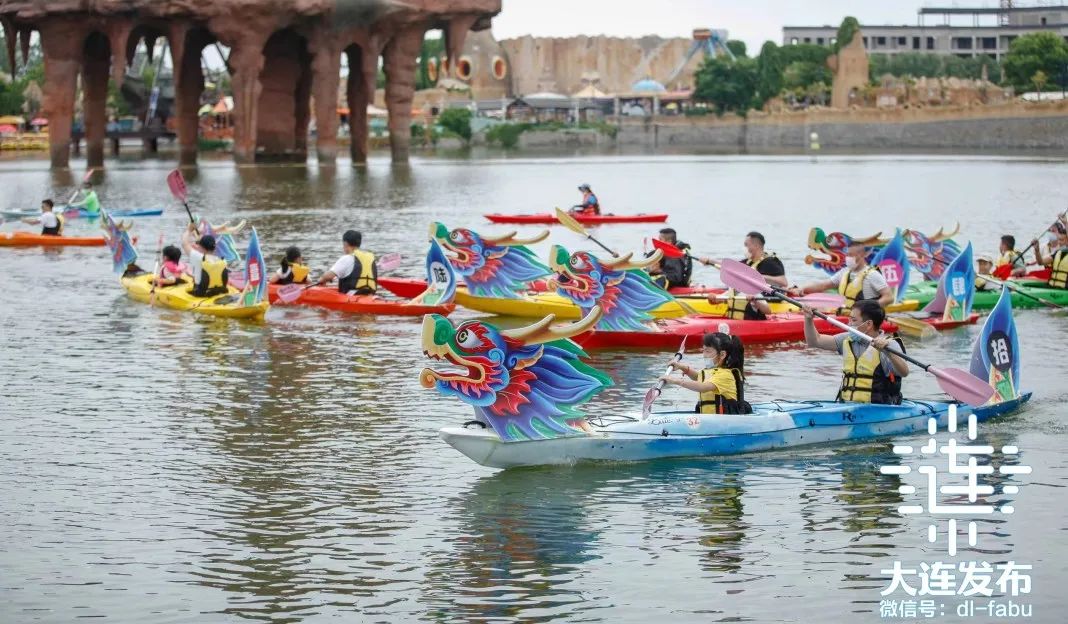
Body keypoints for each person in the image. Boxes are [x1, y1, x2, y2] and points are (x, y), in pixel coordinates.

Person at [802, 300, 909, 405]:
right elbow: (815, 341)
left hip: (878, 409)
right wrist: (808, 319)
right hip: (848, 406)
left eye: (853, 320)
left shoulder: (889, 345)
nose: (849, 323)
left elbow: (904, 372)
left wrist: (888, 352)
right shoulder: (847, 339)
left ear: (868, 324)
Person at [659, 332, 752, 415]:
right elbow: (698, 377)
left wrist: (675, 381)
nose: (704, 355)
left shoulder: (725, 375)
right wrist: (682, 368)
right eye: (703, 350)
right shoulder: (713, 371)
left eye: (708, 351)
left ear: (722, 355)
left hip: (725, 421)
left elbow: (703, 387)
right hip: (710, 418)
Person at [788, 241, 893, 313]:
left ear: (862, 255)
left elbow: (888, 297)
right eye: (847, 254)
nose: (847, 258)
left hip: (864, 318)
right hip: (845, 314)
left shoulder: (872, 274)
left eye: (851, 255)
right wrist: (802, 288)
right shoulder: (844, 272)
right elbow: (823, 285)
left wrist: (869, 308)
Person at [703, 231, 787, 320]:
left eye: (746, 245)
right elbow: (729, 266)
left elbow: (783, 282)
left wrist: (757, 277)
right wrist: (709, 261)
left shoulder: (770, 262)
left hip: (769, 298)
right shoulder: (748, 262)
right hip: (748, 296)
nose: (744, 248)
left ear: (756, 246)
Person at [318, 230, 378, 295]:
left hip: (351, 296)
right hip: (370, 295)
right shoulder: (370, 259)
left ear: (345, 243)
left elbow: (328, 276)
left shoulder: (347, 258)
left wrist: (321, 280)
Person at [181, 224, 230, 298]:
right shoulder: (222, 260)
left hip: (202, 294)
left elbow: (184, 243)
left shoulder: (198, 257)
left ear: (201, 247)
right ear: (214, 247)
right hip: (220, 291)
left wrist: (189, 230)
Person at [1032, 221, 1068, 289]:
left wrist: (1066, 224)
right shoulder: (1057, 253)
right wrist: (1037, 250)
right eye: (1059, 240)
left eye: (1062, 240)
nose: (1060, 243)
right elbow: (1041, 262)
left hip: (1064, 290)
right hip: (1052, 287)